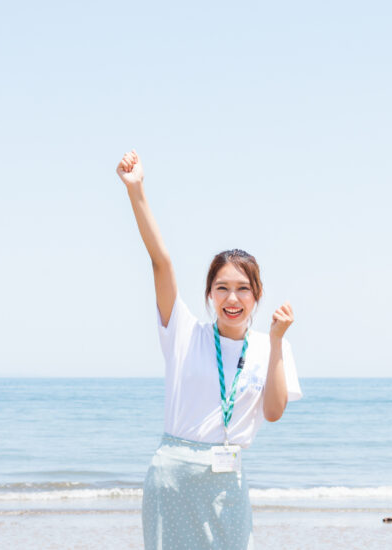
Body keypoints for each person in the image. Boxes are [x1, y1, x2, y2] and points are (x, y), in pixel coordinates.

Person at [116, 149, 302, 550]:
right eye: (222, 288)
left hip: (227, 480)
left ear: (257, 296)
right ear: (209, 295)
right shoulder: (184, 333)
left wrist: (276, 342)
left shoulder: (271, 347)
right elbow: (161, 263)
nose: (232, 298)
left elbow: (272, 412)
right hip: (174, 477)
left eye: (242, 289)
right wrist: (137, 191)